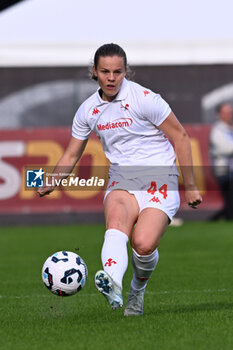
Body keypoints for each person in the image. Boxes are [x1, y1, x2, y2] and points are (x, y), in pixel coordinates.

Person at [38, 43, 202, 316]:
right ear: (95, 72)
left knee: (144, 243)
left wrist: (191, 185)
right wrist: (52, 180)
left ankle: (136, 291)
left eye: (117, 71)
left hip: (159, 178)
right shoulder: (88, 110)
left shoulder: (146, 99)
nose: (111, 78)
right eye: (105, 71)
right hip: (122, 179)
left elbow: (181, 136)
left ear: (126, 71)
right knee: (116, 224)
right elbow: (70, 154)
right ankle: (112, 282)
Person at [209, 103, 233, 220]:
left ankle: (215, 219)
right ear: (219, 114)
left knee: (230, 200)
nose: (229, 114)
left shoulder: (229, 128)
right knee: (229, 198)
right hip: (223, 170)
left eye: (230, 112)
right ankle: (215, 219)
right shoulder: (218, 130)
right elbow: (225, 148)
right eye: (226, 112)